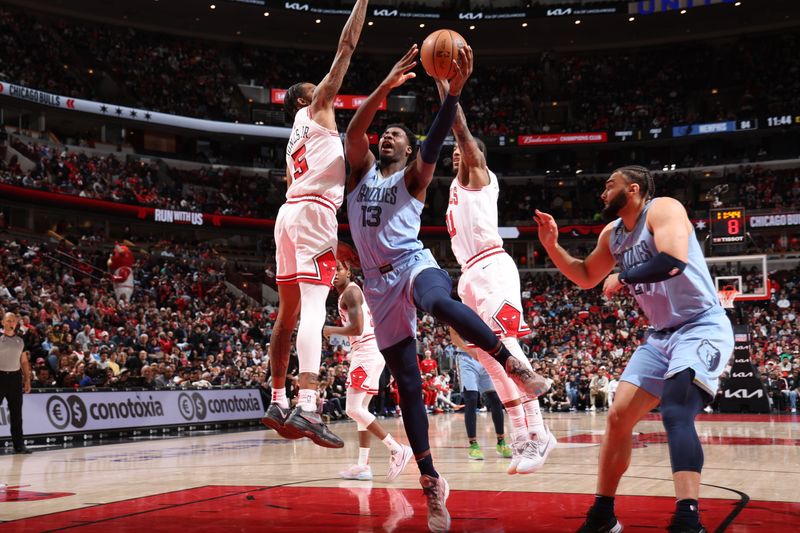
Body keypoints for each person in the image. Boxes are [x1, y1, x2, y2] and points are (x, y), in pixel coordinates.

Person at [344, 45, 548, 532]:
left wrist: (452, 94)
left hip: (415, 264)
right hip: (378, 288)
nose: (386, 137)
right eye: (385, 135)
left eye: (396, 134)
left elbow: (436, 140)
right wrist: (385, 88)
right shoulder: (358, 175)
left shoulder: (416, 178)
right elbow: (354, 131)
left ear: (409, 150)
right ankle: (432, 482)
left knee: (439, 300)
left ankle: (512, 362)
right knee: (409, 389)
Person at [535, 166, 734, 533]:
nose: (602, 193)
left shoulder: (662, 209)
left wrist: (624, 276)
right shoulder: (613, 234)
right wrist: (551, 246)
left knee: (675, 410)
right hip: (660, 336)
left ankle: (688, 518)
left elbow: (673, 262)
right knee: (617, 417)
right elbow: (585, 275)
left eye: (609, 185)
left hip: (701, 324)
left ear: (634, 189)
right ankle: (603, 514)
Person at [261, 0, 369, 449]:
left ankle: (276, 398)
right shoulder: (318, 107)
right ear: (308, 98)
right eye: (318, 87)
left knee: (286, 315)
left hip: (287, 215)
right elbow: (345, 46)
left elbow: (295, 180)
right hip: (313, 216)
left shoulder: (293, 141)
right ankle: (307, 406)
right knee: (312, 309)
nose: (329, 90)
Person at [436, 77, 556, 474]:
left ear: (474, 157)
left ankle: (539, 432)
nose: (455, 154)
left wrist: (447, 88)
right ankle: (522, 435)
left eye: (461, 151)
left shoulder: (479, 179)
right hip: (469, 276)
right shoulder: (454, 193)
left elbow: (461, 129)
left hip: (492, 267)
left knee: (508, 348)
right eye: (452, 152)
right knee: (487, 358)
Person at [324, 260, 413, 482]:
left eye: (339, 269)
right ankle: (363, 465)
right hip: (370, 350)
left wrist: (328, 329)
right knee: (361, 410)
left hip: (366, 350)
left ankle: (397, 448)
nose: (334, 274)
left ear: (348, 271)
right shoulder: (348, 292)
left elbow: (358, 328)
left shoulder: (350, 294)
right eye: (331, 270)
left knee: (352, 409)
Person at [450, 327, 512, 462]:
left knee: (495, 398)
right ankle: (473, 445)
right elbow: (454, 337)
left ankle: (501, 442)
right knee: (471, 399)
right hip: (466, 358)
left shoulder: (484, 308)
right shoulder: (457, 307)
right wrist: (470, 350)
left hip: (486, 357)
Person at [0, 312, 33, 454]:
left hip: (15, 378)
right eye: (8, 320)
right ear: (3, 322)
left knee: (16, 414)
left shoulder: (20, 341)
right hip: (0, 376)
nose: (11, 323)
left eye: (13, 321)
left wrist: (27, 379)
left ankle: (19, 445)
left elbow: (24, 361)